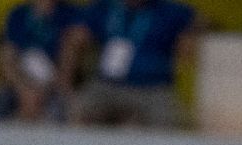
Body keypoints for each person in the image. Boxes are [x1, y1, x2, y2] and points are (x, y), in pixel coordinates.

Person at [72, 0, 199, 128]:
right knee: (79, 111)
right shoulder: (104, 7)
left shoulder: (172, 11)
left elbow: (193, 36)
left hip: (153, 87)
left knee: (168, 122)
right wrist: (70, 81)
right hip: (107, 84)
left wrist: (189, 39)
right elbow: (76, 38)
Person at [0, 0, 83, 122]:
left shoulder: (71, 14)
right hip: (21, 82)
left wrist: (44, 91)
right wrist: (24, 89)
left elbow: (68, 64)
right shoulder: (19, 15)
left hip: (53, 85)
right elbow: (7, 58)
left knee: (67, 109)